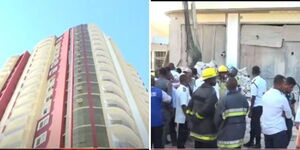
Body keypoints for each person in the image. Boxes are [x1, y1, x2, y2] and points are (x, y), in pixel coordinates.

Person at [186, 67, 218, 148]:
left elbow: (189, 108)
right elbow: (207, 110)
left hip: (196, 131)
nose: (216, 80)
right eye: (214, 78)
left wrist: (191, 119)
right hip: (207, 132)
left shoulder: (197, 90)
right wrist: (196, 118)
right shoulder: (212, 92)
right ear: (209, 79)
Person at [214, 77, 249, 149]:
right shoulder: (244, 99)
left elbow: (216, 120)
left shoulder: (223, 101)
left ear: (227, 86)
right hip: (239, 135)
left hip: (226, 137)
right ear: (236, 85)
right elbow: (245, 113)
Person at [261, 75, 292, 148]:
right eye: (284, 84)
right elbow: (289, 115)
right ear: (280, 85)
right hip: (278, 131)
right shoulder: (281, 98)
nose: (285, 86)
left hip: (266, 130)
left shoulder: (265, 95)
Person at [244, 66, 267, 148]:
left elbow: (253, 97)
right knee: (255, 124)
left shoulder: (254, 82)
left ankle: (257, 143)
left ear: (253, 72)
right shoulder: (263, 81)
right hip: (262, 105)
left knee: (255, 125)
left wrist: (250, 110)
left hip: (256, 106)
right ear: (259, 72)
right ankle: (251, 141)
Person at [155, 67, 174, 145]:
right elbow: (170, 98)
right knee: (164, 130)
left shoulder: (155, 83)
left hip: (156, 109)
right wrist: (171, 110)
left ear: (159, 73)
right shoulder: (168, 83)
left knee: (157, 129)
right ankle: (162, 144)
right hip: (165, 110)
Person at [151, 76, 172, 148]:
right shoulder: (159, 92)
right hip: (157, 121)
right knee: (158, 142)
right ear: (154, 82)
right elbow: (169, 99)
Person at [175, 74, 191, 148]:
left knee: (182, 134)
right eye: (188, 79)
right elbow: (183, 105)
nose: (189, 80)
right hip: (184, 117)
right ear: (184, 80)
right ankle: (181, 147)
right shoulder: (183, 90)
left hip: (181, 116)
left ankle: (180, 146)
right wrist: (187, 117)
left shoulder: (180, 88)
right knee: (183, 135)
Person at [283, 77, 297, 147]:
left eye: (293, 88)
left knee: (287, 140)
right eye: (291, 87)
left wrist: (296, 119)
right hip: (281, 121)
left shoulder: (291, 95)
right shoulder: (280, 94)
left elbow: (292, 108)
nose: (292, 89)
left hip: (288, 121)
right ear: (286, 84)